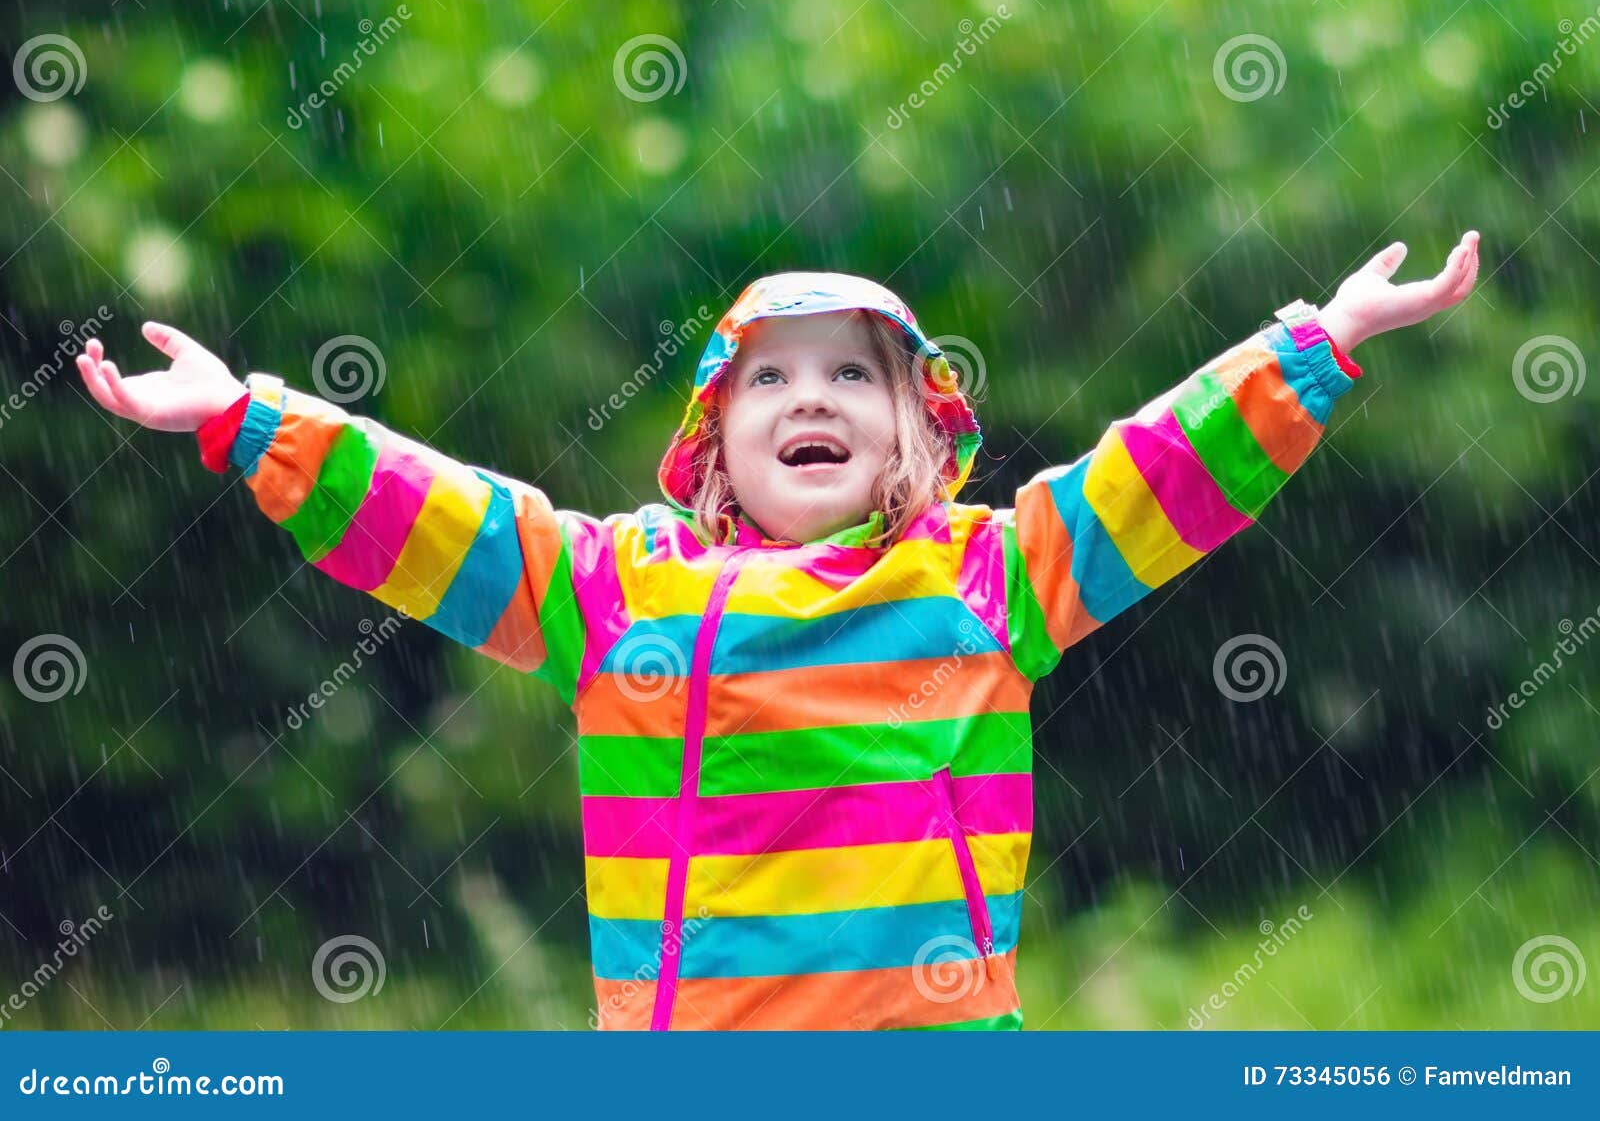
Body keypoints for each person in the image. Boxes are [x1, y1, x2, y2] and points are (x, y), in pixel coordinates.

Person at [75, 231, 1481, 1030]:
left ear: (913, 440)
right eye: (770, 383)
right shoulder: (614, 588)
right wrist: (252, 416)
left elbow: (1159, 469)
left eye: (851, 378)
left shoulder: (989, 576)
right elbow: (438, 518)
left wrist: (1322, 342)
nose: (811, 398)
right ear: (711, 448)